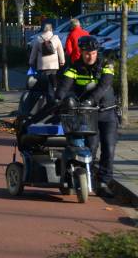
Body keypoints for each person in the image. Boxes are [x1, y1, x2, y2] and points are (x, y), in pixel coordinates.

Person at [56, 35, 118, 197]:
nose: (90, 56)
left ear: (97, 52)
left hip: (107, 112)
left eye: (93, 53)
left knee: (109, 149)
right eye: (86, 53)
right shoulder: (74, 68)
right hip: (88, 115)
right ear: (81, 53)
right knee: (91, 148)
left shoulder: (107, 64)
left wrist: (91, 100)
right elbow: (65, 85)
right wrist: (59, 97)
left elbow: (105, 85)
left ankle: (104, 183)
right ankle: (86, 179)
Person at [29, 23, 65, 102]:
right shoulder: (56, 38)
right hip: (53, 65)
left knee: (44, 83)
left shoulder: (38, 39)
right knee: (53, 81)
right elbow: (61, 51)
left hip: (42, 66)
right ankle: (55, 97)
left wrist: (31, 61)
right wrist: (62, 61)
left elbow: (33, 52)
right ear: (51, 29)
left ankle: (45, 98)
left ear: (44, 30)